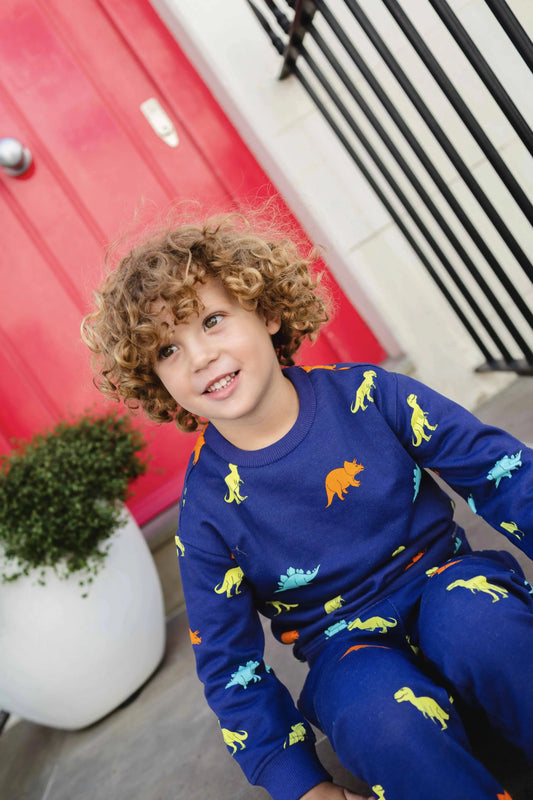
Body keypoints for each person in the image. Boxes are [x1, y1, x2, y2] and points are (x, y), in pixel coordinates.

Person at [82, 213, 533, 800]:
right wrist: (300, 784)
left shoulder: (371, 396)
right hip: (349, 654)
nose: (199, 357)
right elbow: (229, 666)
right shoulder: (206, 513)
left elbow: (503, 474)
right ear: (156, 380)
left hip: (451, 588)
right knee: (378, 715)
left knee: (482, 625)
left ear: (266, 312)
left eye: (212, 321)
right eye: (168, 349)